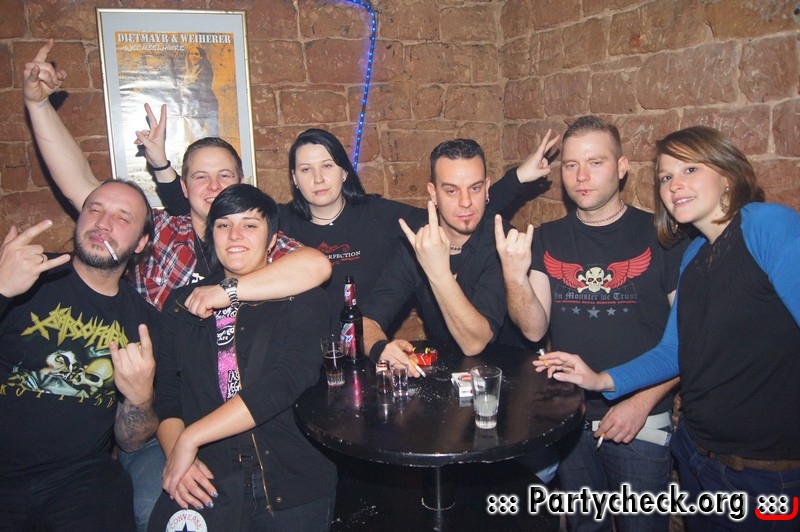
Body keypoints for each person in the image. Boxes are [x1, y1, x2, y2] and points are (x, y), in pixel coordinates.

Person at [23, 39, 331, 531]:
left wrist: (226, 292)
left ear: (241, 182)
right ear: (182, 186)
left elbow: (315, 267)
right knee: (155, 509)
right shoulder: (157, 231)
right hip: (155, 417)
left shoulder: (260, 239)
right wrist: (39, 106)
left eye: (224, 176)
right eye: (200, 178)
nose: (213, 187)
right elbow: (83, 188)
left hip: (249, 425)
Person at [536, 126, 800, 531]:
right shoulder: (693, 253)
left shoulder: (766, 225)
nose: (675, 185)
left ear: (728, 175)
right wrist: (601, 379)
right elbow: (674, 350)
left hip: (766, 470)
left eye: (690, 170)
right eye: (665, 177)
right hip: (698, 455)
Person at [155, 127, 554, 331]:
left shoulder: (379, 216)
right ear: (294, 178)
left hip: (366, 355)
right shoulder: (280, 222)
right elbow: (208, 212)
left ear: (344, 171)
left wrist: (518, 178)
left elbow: (458, 210)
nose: (318, 178)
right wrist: (163, 169)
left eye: (327, 166)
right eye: (306, 169)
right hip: (300, 359)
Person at [495, 116, 686, 531]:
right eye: (570, 165)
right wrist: (514, 277)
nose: (581, 176)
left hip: (640, 418)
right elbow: (533, 328)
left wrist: (642, 402)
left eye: (595, 162)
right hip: (570, 416)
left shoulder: (662, 236)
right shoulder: (548, 237)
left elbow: (691, 340)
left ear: (621, 167)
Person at [148, 184, 337, 532]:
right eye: (223, 225)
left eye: (250, 225)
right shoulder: (183, 303)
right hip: (210, 482)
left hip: (291, 483)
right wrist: (179, 455)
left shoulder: (302, 296)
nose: (235, 235)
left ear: (272, 240)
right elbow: (168, 395)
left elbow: (286, 381)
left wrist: (192, 438)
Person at [0, 180, 159, 531]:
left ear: (140, 243)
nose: (103, 223)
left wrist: (140, 399)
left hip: (80, 481)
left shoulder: (146, 325)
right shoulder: (23, 276)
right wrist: (1, 289)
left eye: (122, 217)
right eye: (94, 209)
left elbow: (131, 441)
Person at [362, 136, 555, 375]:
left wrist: (438, 272)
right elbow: (366, 320)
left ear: (486, 188)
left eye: (475, 188)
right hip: (447, 375)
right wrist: (379, 348)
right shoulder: (418, 243)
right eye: (451, 191)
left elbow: (475, 342)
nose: (466, 202)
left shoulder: (500, 241)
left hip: (508, 378)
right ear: (433, 193)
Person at [180, 45, 219, 140]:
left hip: (208, 105)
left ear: (201, 56)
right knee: (198, 137)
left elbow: (201, 86)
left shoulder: (205, 69)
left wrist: (188, 87)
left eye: (196, 54)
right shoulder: (188, 70)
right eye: (191, 54)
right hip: (195, 106)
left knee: (213, 136)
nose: (193, 56)